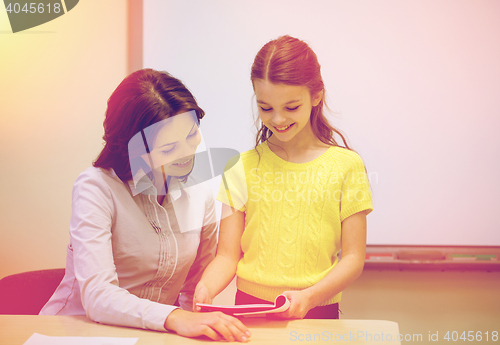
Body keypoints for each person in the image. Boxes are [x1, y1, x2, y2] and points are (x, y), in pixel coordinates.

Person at [40, 69, 250, 342]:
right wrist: (174, 318)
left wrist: (195, 321)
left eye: (192, 134)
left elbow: (193, 290)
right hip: (76, 334)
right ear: (133, 148)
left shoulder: (200, 192)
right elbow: (98, 296)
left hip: (155, 337)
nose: (187, 154)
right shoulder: (96, 188)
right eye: (168, 148)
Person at [193, 36, 373, 319]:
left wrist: (309, 297)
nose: (277, 119)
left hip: (317, 309)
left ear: (317, 96)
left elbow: (353, 258)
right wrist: (205, 287)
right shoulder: (240, 167)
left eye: (291, 108)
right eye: (265, 108)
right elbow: (227, 256)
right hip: (249, 310)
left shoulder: (347, 166)